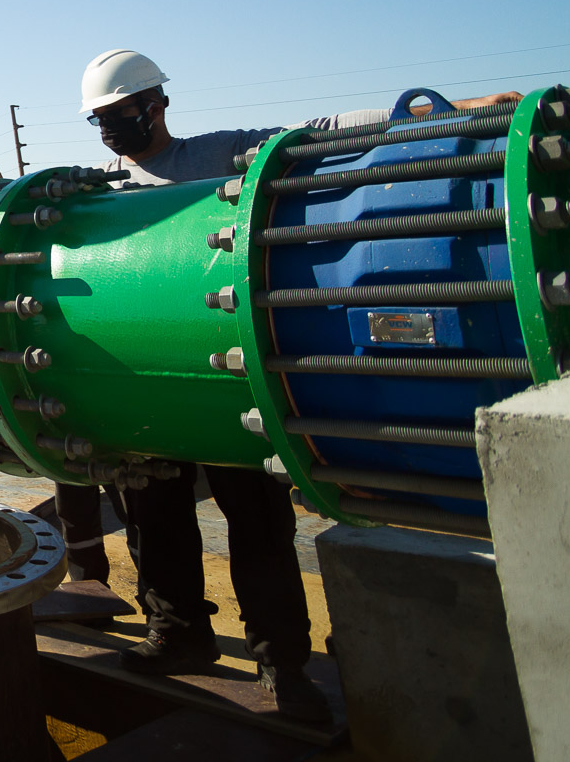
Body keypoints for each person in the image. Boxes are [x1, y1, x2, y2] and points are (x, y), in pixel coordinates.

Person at [73, 49, 520, 724]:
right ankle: (178, 633)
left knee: (257, 521)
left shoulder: (216, 155)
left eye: (121, 112)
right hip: (146, 380)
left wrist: (453, 112)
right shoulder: (100, 192)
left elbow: (321, 132)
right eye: (99, 119)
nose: (111, 128)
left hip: (235, 373)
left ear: (155, 105)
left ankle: (281, 663)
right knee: (152, 516)